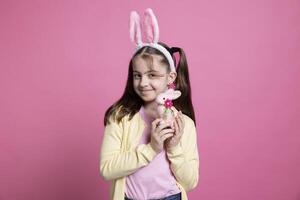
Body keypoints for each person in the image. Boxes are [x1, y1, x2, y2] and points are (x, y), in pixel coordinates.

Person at [99, 8, 199, 200]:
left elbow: (190, 182)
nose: (143, 83)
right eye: (138, 75)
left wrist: (174, 147)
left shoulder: (184, 123)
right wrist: (152, 148)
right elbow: (107, 169)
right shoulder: (120, 117)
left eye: (152, 74)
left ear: (170, 77)